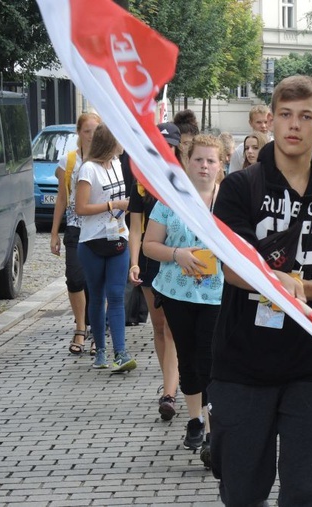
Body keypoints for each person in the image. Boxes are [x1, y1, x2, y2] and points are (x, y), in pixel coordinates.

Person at [209, 75, 312, 507]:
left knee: (306, 493)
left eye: (306, 117)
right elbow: (232, 266)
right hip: (242, 364)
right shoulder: (241, 189)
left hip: (310, 365)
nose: (294, 125)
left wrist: (304, 288)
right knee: (241, 493)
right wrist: (276, 283)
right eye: (285, 115)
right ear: (271, 123)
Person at [143, 134, 226, 468]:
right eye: (199, 160)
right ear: (187, 162)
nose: (204, 166)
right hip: (176, 292)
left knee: (209, 359)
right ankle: (193, 419)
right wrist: (177, 254)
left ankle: (210, 430)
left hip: (218, 293)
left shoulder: (230, 200)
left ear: (221, 166)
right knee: (188, 357)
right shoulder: (169, 199)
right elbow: (149, 245)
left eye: (211, 161)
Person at [128, 123, 181, 421]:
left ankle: (176, 384)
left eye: (169, 146)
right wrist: (133, 262)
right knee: (159, 326)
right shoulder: (141, 182)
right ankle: (168, 385)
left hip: (177, 260)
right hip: (149, 259)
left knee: (175, 327)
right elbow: (135, 227)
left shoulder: (183, 180)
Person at [75, 124, 137, 373]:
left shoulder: (118, 165)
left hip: (118, 239)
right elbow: (81, 208)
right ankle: (100, 350)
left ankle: (120, 352)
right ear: (110, 142)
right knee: (97, 297)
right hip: (92, 242)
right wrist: (113, 204)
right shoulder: (88, 169)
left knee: (116, 295)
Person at [49, 112, 100, 356]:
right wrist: (54, 233)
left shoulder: (107, 159)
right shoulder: (68, 161)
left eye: (95, 131)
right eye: (87, 131)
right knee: (75, 278)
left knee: (97, 282)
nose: (91, 136)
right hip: (75, 227)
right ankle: (81, 326)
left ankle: (98, 331)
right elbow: (61, 199)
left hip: (101, 228)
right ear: (79, 133)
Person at [228, 104, 272, 173]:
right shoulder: (239, 151)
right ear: (250, 123)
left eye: (266, 122)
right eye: (259, 122)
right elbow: (232, 178)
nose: (263, 126)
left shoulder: (277, 147)